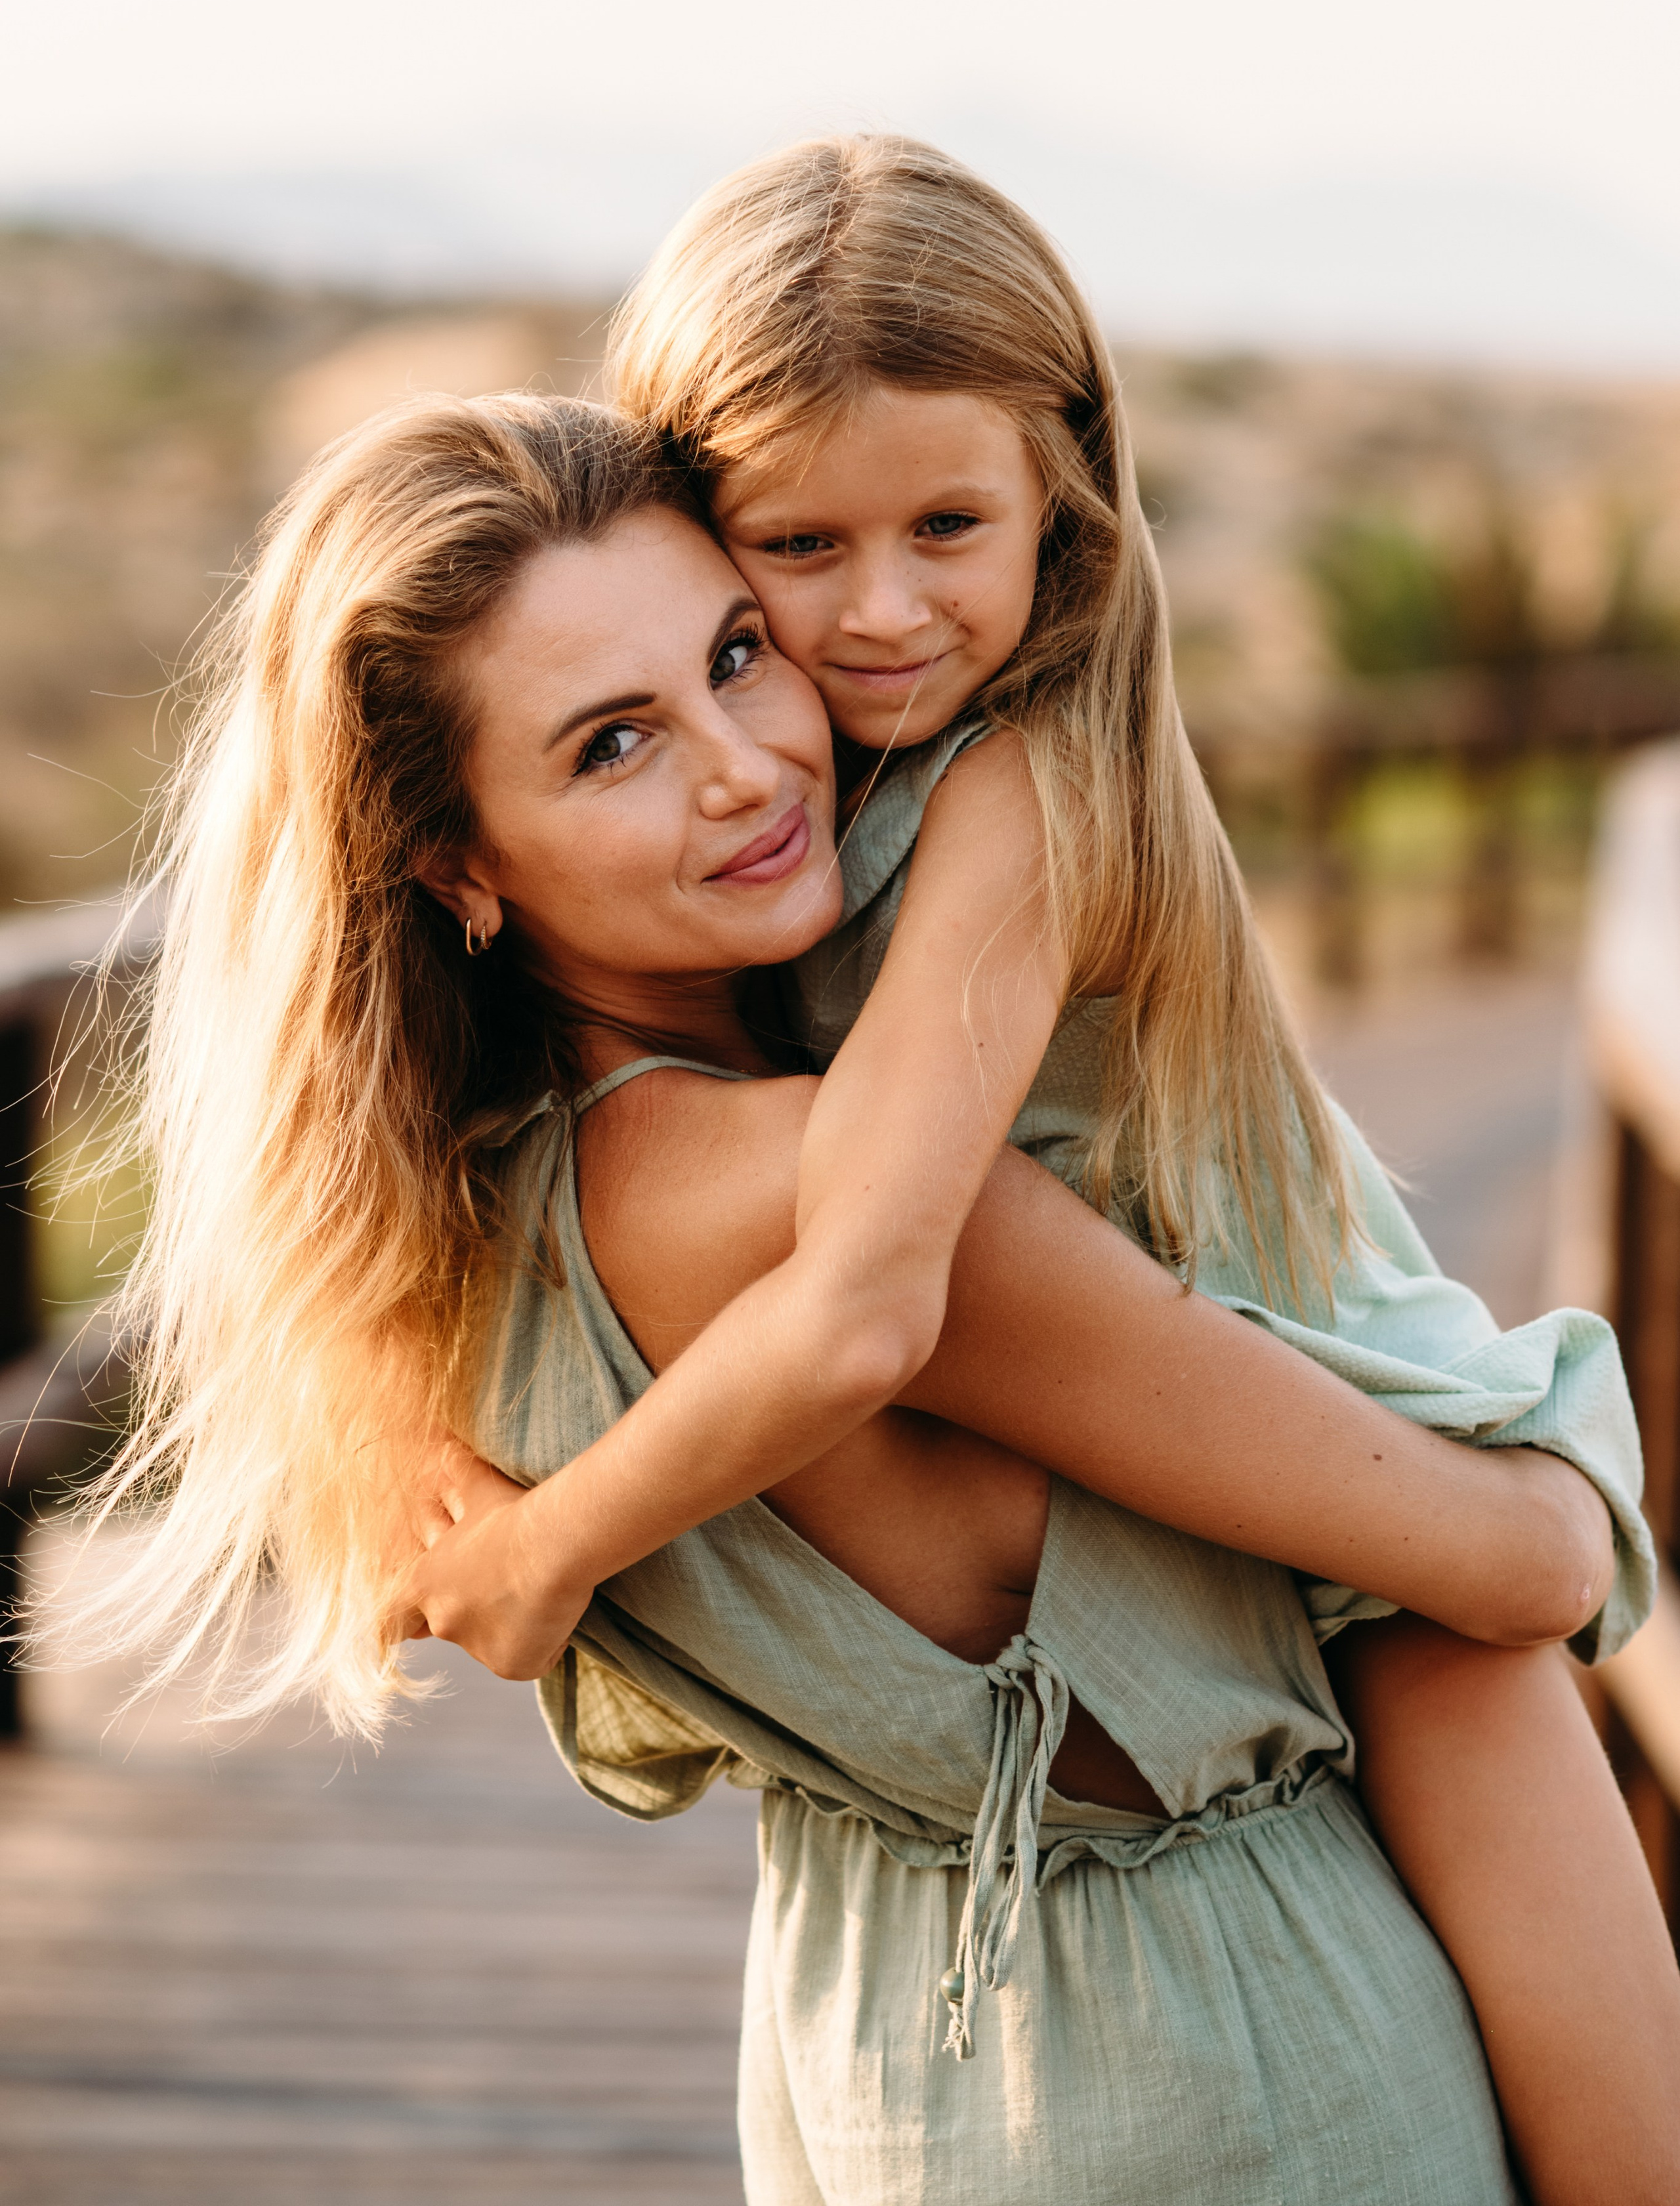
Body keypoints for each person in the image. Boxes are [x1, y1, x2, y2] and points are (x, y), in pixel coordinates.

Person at [62, 394, 1671, 2200]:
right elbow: (1525, 1570)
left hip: (887, 2043)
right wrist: (1520, 1430)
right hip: (1212, 2065)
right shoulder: (843, 1205)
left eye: (737, 654)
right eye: (612, 746)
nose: (746, 765)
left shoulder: (473, 1218)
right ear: (456, 865)